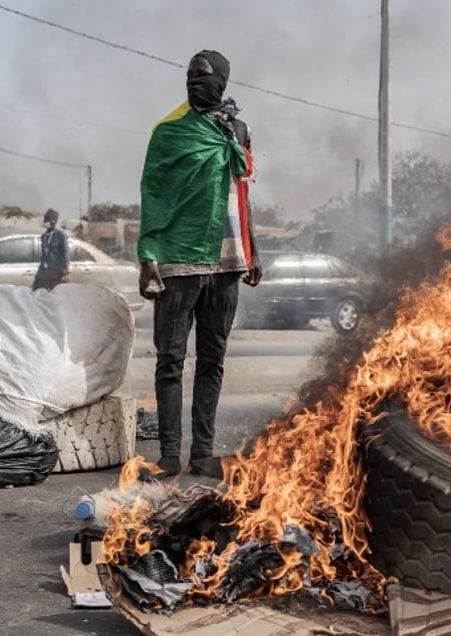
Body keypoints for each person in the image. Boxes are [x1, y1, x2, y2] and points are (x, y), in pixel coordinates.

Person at [137, 49, 262, 480]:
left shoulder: (238, 130)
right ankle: (170, 455)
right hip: (178, 259)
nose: (193, 84)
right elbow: (152, 193)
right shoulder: (169, 132)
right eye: (189, 77)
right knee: (170, 360)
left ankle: (202, 453)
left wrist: (253, 249)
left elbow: (242, 193)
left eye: (202, 77)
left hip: (228, 261)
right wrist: (146, 255)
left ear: (222, 82)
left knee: (213, 359)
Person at [32, 208, 69, 291]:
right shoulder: (44, 236)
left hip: (55, 273)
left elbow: (65, 253)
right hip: (43, 273)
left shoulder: (60, 235)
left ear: (53, 221)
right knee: (35, 293)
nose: (45, 221)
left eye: (46, 219)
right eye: (45, 219)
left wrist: (64, 271)